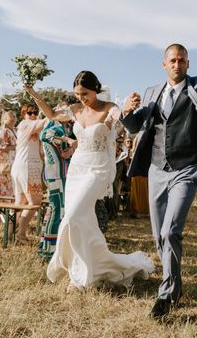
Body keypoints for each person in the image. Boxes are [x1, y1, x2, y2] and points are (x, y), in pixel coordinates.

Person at [122, 22, 197, 320]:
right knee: (159, 236)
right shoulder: (151, 92)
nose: (177, 64)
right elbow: (136, 126)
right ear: (164, 64)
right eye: (172, 60)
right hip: (156, 170)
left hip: (186, 169)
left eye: (182, 60)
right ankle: (173, 284)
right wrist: (126, 112)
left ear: (188, 64)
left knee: (171, 231)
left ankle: (166, 294)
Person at [25, 72, 154, 291]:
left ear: (96, 89)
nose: (81, 98)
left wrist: (127, 107)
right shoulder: (75, 110)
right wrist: (33, 93)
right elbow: (51, 114)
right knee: (80, 220)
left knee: (73, 217)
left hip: (98, 169)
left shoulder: (108, 108)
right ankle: (93, 265)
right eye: (77, 94)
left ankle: (81, 277)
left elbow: (119, 114)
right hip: (77, 168)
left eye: (85, 93)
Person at [38, 111, 74, 260]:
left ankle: (46, 246)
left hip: (55, 173)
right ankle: (50, 250)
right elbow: (47, 137)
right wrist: (70, 143)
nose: (67, 113)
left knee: (53, 210)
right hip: (57, 174)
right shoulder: (55, 127)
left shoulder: (58, 126)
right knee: (57, 209)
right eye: (63, 110)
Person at [11, 104, 47, 243]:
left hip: (22, 168)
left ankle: (10, 233)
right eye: (29, 113)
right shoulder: (25, 124)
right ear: (23, 115)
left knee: (20, 202)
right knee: (35, 202)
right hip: (28, 169)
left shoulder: (32, 128)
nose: (33, 115)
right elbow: (45, 122)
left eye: (35, 112)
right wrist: (51, 112)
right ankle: (21, 235)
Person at [0, 110, 17, 197]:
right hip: (5, 163)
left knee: (13, 186)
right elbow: (0, 147)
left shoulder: (15, 130)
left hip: (13, 161)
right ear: (5, 119)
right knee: (5, 188)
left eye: (14, 116)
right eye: (11, 116)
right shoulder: (3, 130)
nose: (13, 118)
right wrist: (15, 147)